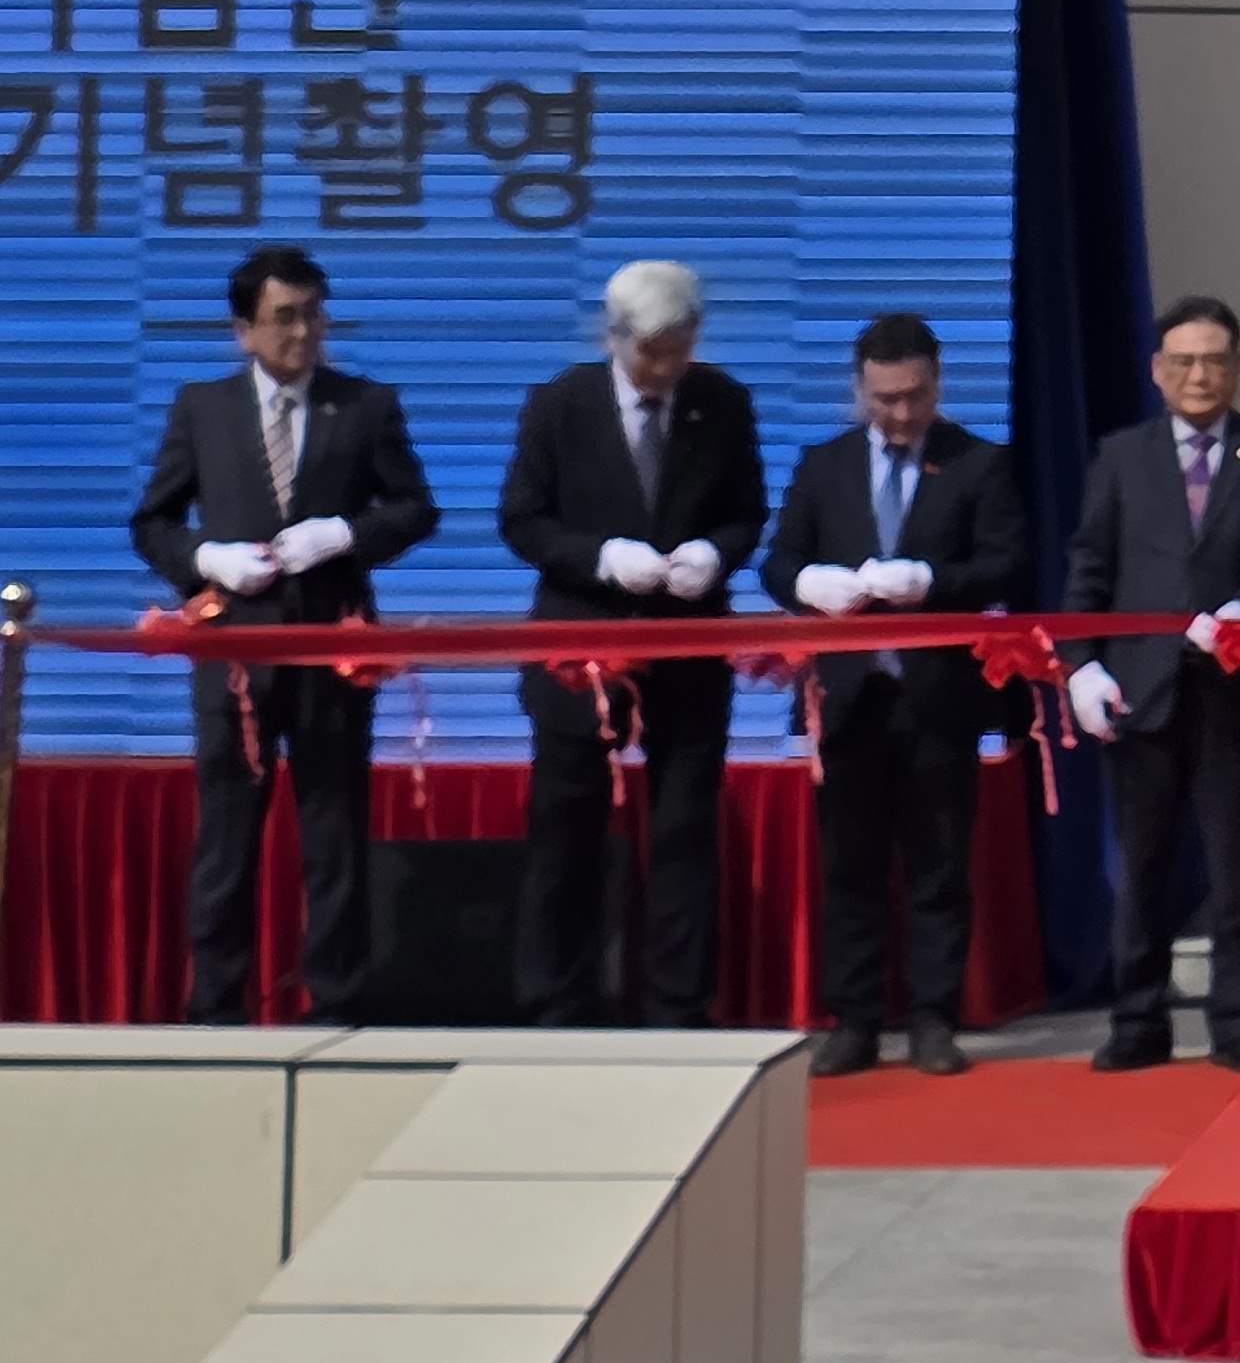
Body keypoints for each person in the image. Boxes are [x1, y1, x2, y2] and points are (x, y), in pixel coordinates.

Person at [128, 244, 438, 1024]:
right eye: (284, 318)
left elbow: (413, 510)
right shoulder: (202, 407)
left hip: (333, 656)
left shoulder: (365, 404)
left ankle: (335, 1003)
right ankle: (216, 1009)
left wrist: (342, 535)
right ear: (243, 330)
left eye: (314, 315)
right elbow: (153, 522)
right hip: (233, 659)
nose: (303, 334)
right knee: (226, 842)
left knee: (335, 836)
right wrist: (207, 558)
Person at [498, 258, 766, 1027]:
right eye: (650, 352)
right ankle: (557, 1004)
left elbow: (746, 513)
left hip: (687, 653)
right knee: (566, 833)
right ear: (614, 338)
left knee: (684, 832)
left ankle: (680, 1008)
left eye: (678, 348)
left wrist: (715, 555)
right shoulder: (559, 404)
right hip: (580, 655)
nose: (664, 368)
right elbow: (522, 519)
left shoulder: (722, 401)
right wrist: (601, 557)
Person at [762, 311, 1029, 1079]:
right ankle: (853, 1020)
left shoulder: (980, 464)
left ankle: (934, 1018)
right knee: (850, 864)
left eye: (914, 396)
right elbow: (782, 563)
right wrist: (807, 584)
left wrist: (934, 585)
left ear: (937, 385)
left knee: (939, 863)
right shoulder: (824, 466)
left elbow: (1007, 564)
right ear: (860, 391)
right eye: (885, 399)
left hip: (938, 698)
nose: (901, 413)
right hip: (848, 699)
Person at [1063, 297, 1240, 1075]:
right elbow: (1089, 568)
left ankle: (1238, 1024)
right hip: (1141, 690)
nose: (1199, 375)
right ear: (1158, 370)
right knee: (1143, 866)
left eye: (1214, 360)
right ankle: (1138, 1020)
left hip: (1234, 691)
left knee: (1238, 869)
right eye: (1183, 361)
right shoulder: (1121, 455)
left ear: (1237, 367)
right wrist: (1083, 665)